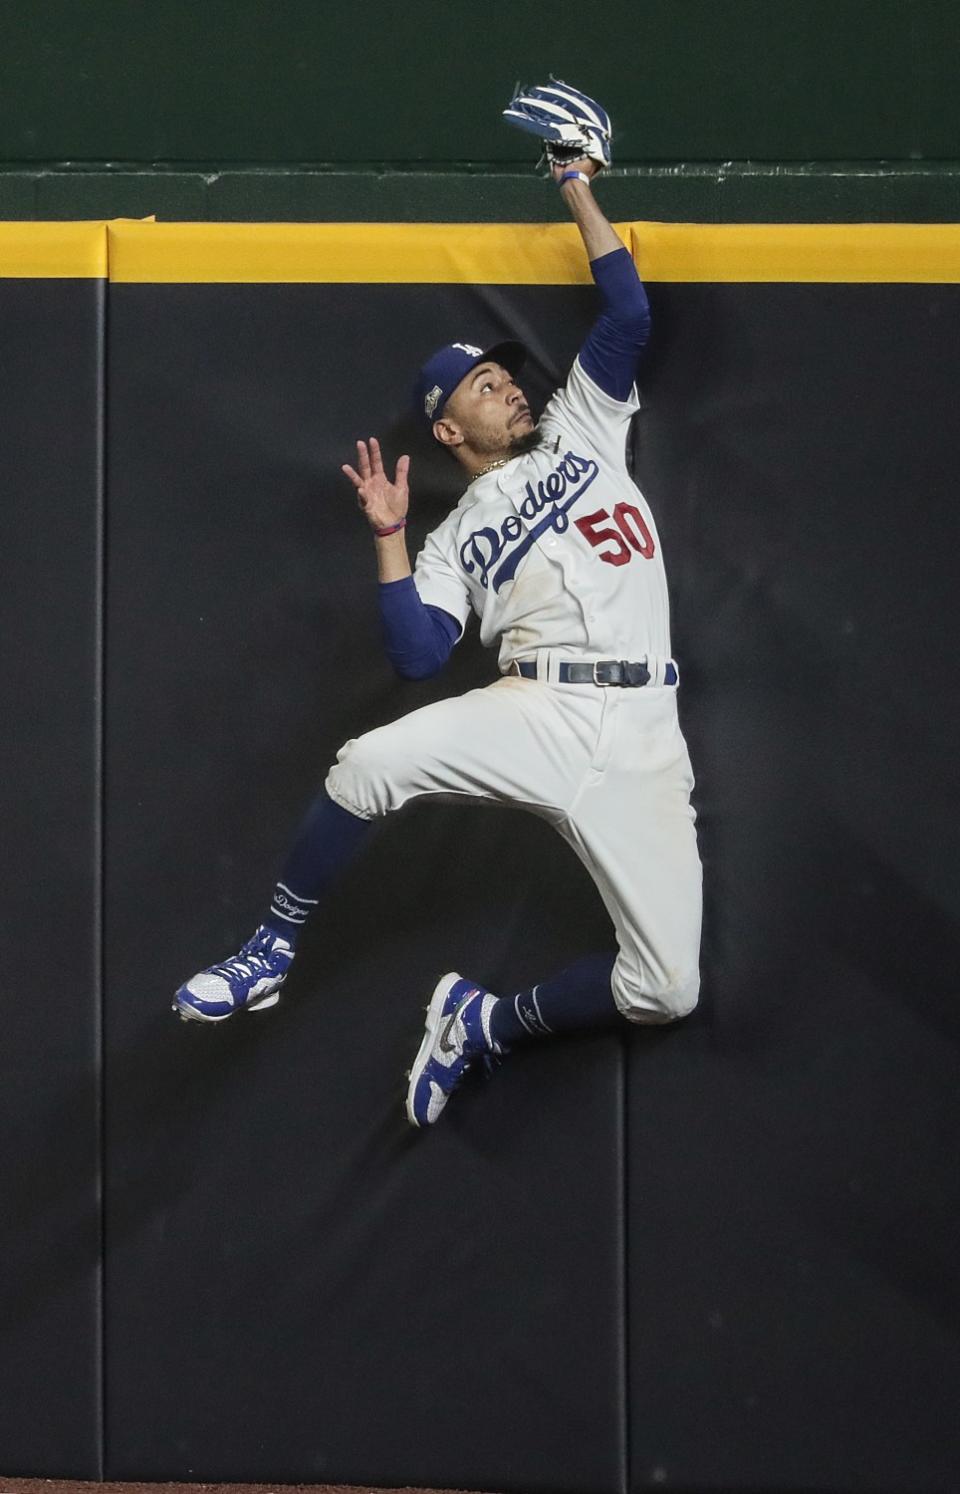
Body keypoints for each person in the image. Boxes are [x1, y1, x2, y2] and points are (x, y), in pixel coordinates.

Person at [173, 155, 703, 1128]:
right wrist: (388, 540)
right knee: (368, 762)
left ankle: (483, 1025)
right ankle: (271, 951)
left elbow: (627, 316)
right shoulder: (455, 537)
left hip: (643, 737)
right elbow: (418, 655)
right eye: (484, 385)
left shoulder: (583, 429)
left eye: (504, 378)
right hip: (538, 706)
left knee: (667, 986)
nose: (507, 390)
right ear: (448, 427)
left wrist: (577, 182)